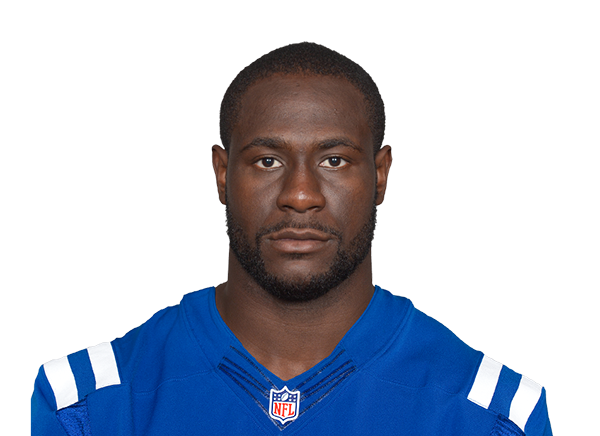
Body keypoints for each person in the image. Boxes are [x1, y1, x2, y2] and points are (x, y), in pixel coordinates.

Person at [31, 42, 552, 435]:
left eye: (334, 160)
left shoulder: (495, 414)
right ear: (221, 173)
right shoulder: (84, 406)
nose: (300, 195)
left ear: (380, 174)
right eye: (267, 161)